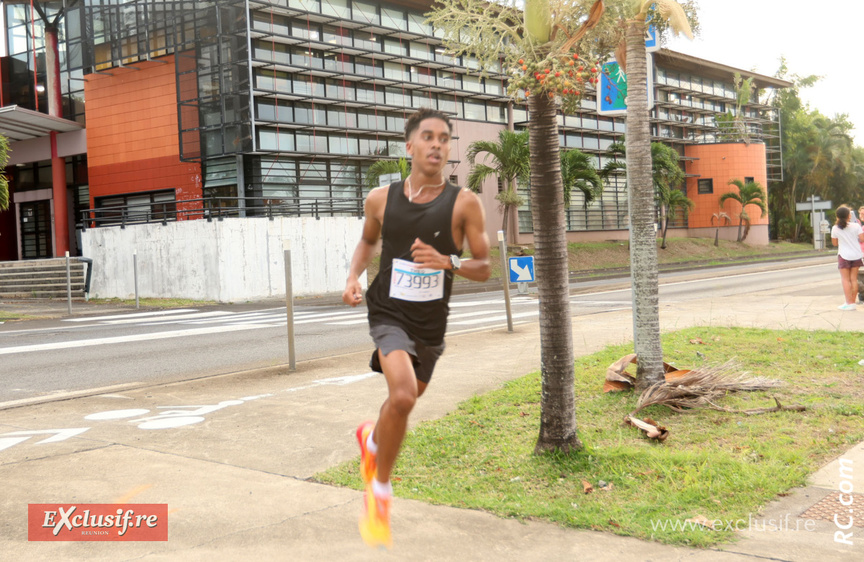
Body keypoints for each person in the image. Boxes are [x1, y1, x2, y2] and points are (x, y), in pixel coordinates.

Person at [342, 107, 491, 549]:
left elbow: (484, 266)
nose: (437, 145)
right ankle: (379, 494)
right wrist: (353, 276)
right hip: (388, 311)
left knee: (404, 401)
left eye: (444, 138)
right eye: (428, 137)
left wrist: (449, 261)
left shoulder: (464, 203)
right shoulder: (380, 199)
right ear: (409, 146)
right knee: (404, 394)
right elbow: (369, 240)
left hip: (431, 322)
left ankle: (370, 439)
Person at [830, 205, 864, 310]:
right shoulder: (856, 226)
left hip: (844, 256)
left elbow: (835, 243)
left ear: (837, 216)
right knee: (853, 279)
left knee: (845, 279)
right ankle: (852, 303)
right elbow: (862, 239)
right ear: (849, 216)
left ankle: (848, 303)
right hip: (857, 255)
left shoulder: (835, 228)